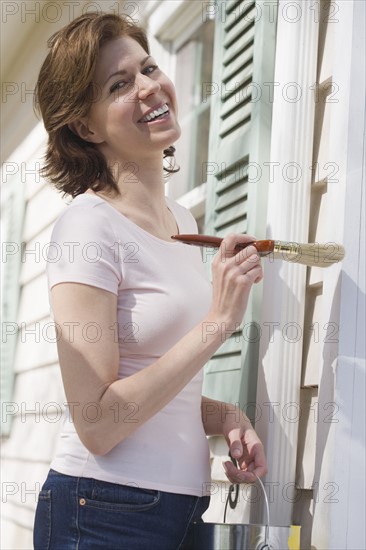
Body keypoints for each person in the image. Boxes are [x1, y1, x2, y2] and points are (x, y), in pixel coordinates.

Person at [33, 12, 267, 550]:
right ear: (85, 127)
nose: (148, 88)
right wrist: (218, 324)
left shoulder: (184, 223)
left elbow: (158, 387)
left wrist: (225, 414)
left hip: (184, 509)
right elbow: (98, 423)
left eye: (148, 68)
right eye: (119, 85)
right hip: (102, 511)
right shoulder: (87, 227)